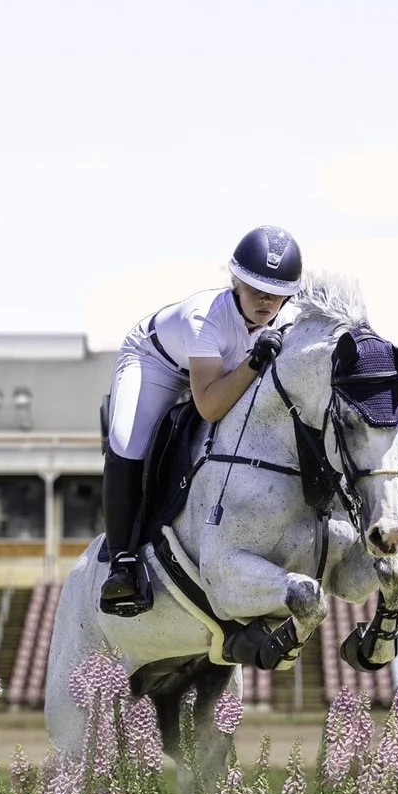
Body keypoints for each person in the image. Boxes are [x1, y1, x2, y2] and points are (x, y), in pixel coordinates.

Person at [97, 225, 302, 615]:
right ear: (235, 281)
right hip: (156, 362)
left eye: (275, 293)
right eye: (255, 288)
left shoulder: (289, 319)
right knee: (127, 440)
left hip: (218, 372)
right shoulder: (204, 317)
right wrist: (256, 360)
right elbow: (209, 405)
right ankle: (122, 562)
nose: (265, 301)